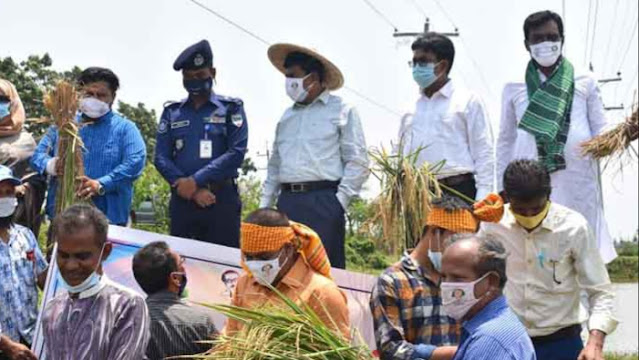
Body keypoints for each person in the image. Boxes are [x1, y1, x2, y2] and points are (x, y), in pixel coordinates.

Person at [496, 10, 615, 263]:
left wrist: (617, 138)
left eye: (552, 37)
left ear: (562, 39)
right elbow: (505, 140)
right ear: (527, 44)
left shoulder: (585, 80)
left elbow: (601, 127)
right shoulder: (513, 85)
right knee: (536, 253)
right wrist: (502, 187)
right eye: (538, 39)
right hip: (529, 184)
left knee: (580, 247)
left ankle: (581, 301)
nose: (546, 44)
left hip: (577, 178)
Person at [481, 159, 617, 360]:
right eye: (520, 211)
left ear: (548, 196)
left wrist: (595, 343)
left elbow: (600, 291)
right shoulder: (492, 226)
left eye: (536, 210)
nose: (529, 216)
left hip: (562, 342)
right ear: (507, 199)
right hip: (509, 342)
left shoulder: (573, 227)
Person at [260, 43, 369, 269]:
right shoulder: (287, 116)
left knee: (322, 271)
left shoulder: (342, 110)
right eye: (287, 77)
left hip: (323, 200)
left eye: (294, 76)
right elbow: (275, 166)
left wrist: (339, 203)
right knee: (285, 269)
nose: (289, 83)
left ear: (314, 78)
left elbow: (357, 161)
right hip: (287, 202)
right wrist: (265, 206)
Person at [370, 194, 504, 360]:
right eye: (454, 242)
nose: (459, 252)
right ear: (435, 233)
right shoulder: (392, 281)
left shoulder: (467, 279)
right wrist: (456, 353)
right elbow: (390, 349)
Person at [155, 39, 248, 247]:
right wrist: (190, 188)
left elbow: (236, 153)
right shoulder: (172, 112)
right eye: (188, 77)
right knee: (182, 266)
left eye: (199, 75)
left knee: (223, 269)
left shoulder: (231, 108)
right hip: (183, 200)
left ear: (212, 72)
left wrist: (195, 180)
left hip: (221, 200)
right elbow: (160, 157)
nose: (194, 81)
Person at [30, 67, 147, 226]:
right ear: (79, 95)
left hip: (108, 222)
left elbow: (135, 162)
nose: (94, 99)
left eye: (101, 95)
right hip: (62, 217)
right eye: (89, 94)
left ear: (112, 97)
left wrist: (101, 184)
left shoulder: (125, 129)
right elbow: (37, 157)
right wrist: (51, 165)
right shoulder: (63, 125)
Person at [41, 204, 150, 359]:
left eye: (82, 256)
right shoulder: (53, 309)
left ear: (105, 252)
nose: (71, 266)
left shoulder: (126, 305)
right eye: (64, 256)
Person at [225, 208, 350, 338]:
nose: (255, 265)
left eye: (264, 257)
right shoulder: (244, 283)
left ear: (288, 249)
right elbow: (229, 337)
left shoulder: (322, 293)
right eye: (248, 257)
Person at [398, 33, 494, 201]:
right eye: (414, 62)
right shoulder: (410, 106)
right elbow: (399, 151)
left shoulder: (467, 101)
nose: (416, 67)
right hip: (417, 195)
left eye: (423, 62)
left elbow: (484, 151)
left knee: (458, 229)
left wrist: (483, 197)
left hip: (456, 192)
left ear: (442, 66)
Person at [441, 233, 536, 360]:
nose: (446, 286)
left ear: (491, 282)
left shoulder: (490, 340)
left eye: (458, 278)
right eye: (443, 277)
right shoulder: (496, 325)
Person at [132, 241, 218, 360]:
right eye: (181, 263)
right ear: (175, 278)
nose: (184, 267)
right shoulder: (201, 321)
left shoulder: (130, 321)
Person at [0, 166, 47, 360]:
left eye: (9, 193)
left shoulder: (25, 236)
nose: (4, 199)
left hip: (31, 339)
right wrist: (7, 345)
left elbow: (43, 279)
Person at [0, 79, 47, 236]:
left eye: (3, 100)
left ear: (13, 102)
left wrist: (22, 189)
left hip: (14, 214)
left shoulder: (26, 142)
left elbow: (38, 180)